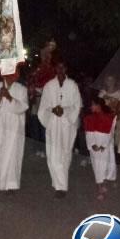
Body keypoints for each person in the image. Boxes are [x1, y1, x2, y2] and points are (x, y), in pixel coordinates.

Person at [38, 61, 82, 198]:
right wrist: (53, 109)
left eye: (63, 67)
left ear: (66, 68)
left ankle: (61, 185)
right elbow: (43, 106)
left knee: (64, 153)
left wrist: (65, 111)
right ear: (55, 69)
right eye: (58, 67)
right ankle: (59, 185)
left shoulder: (72, 85)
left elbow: (77, 105)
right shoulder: (49, 86)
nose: (60, 69)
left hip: (67, 124)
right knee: (52, 154)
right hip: (53, 123)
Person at [0, 73, 29, 191]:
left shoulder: (21, 89)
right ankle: (0, 181)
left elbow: (23, 107)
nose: (12, 76)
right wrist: (0, 96)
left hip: (15, 127)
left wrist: (10, 97)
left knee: (13, 153)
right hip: (0, 126)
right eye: (9, 74)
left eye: (15, 74)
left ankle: (12, 183)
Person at [84, 96, 117, 200]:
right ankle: (99, 187)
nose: (90, 107)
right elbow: (88, 133)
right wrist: (93, 145)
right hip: (95, 145)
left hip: (104, 145)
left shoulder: (108, 117)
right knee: (97, 166)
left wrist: (104, 145)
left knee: (105, 165)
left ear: (98, 106)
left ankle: (103, 184)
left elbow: (110, 133)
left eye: (92, 105)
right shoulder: (89, 118)